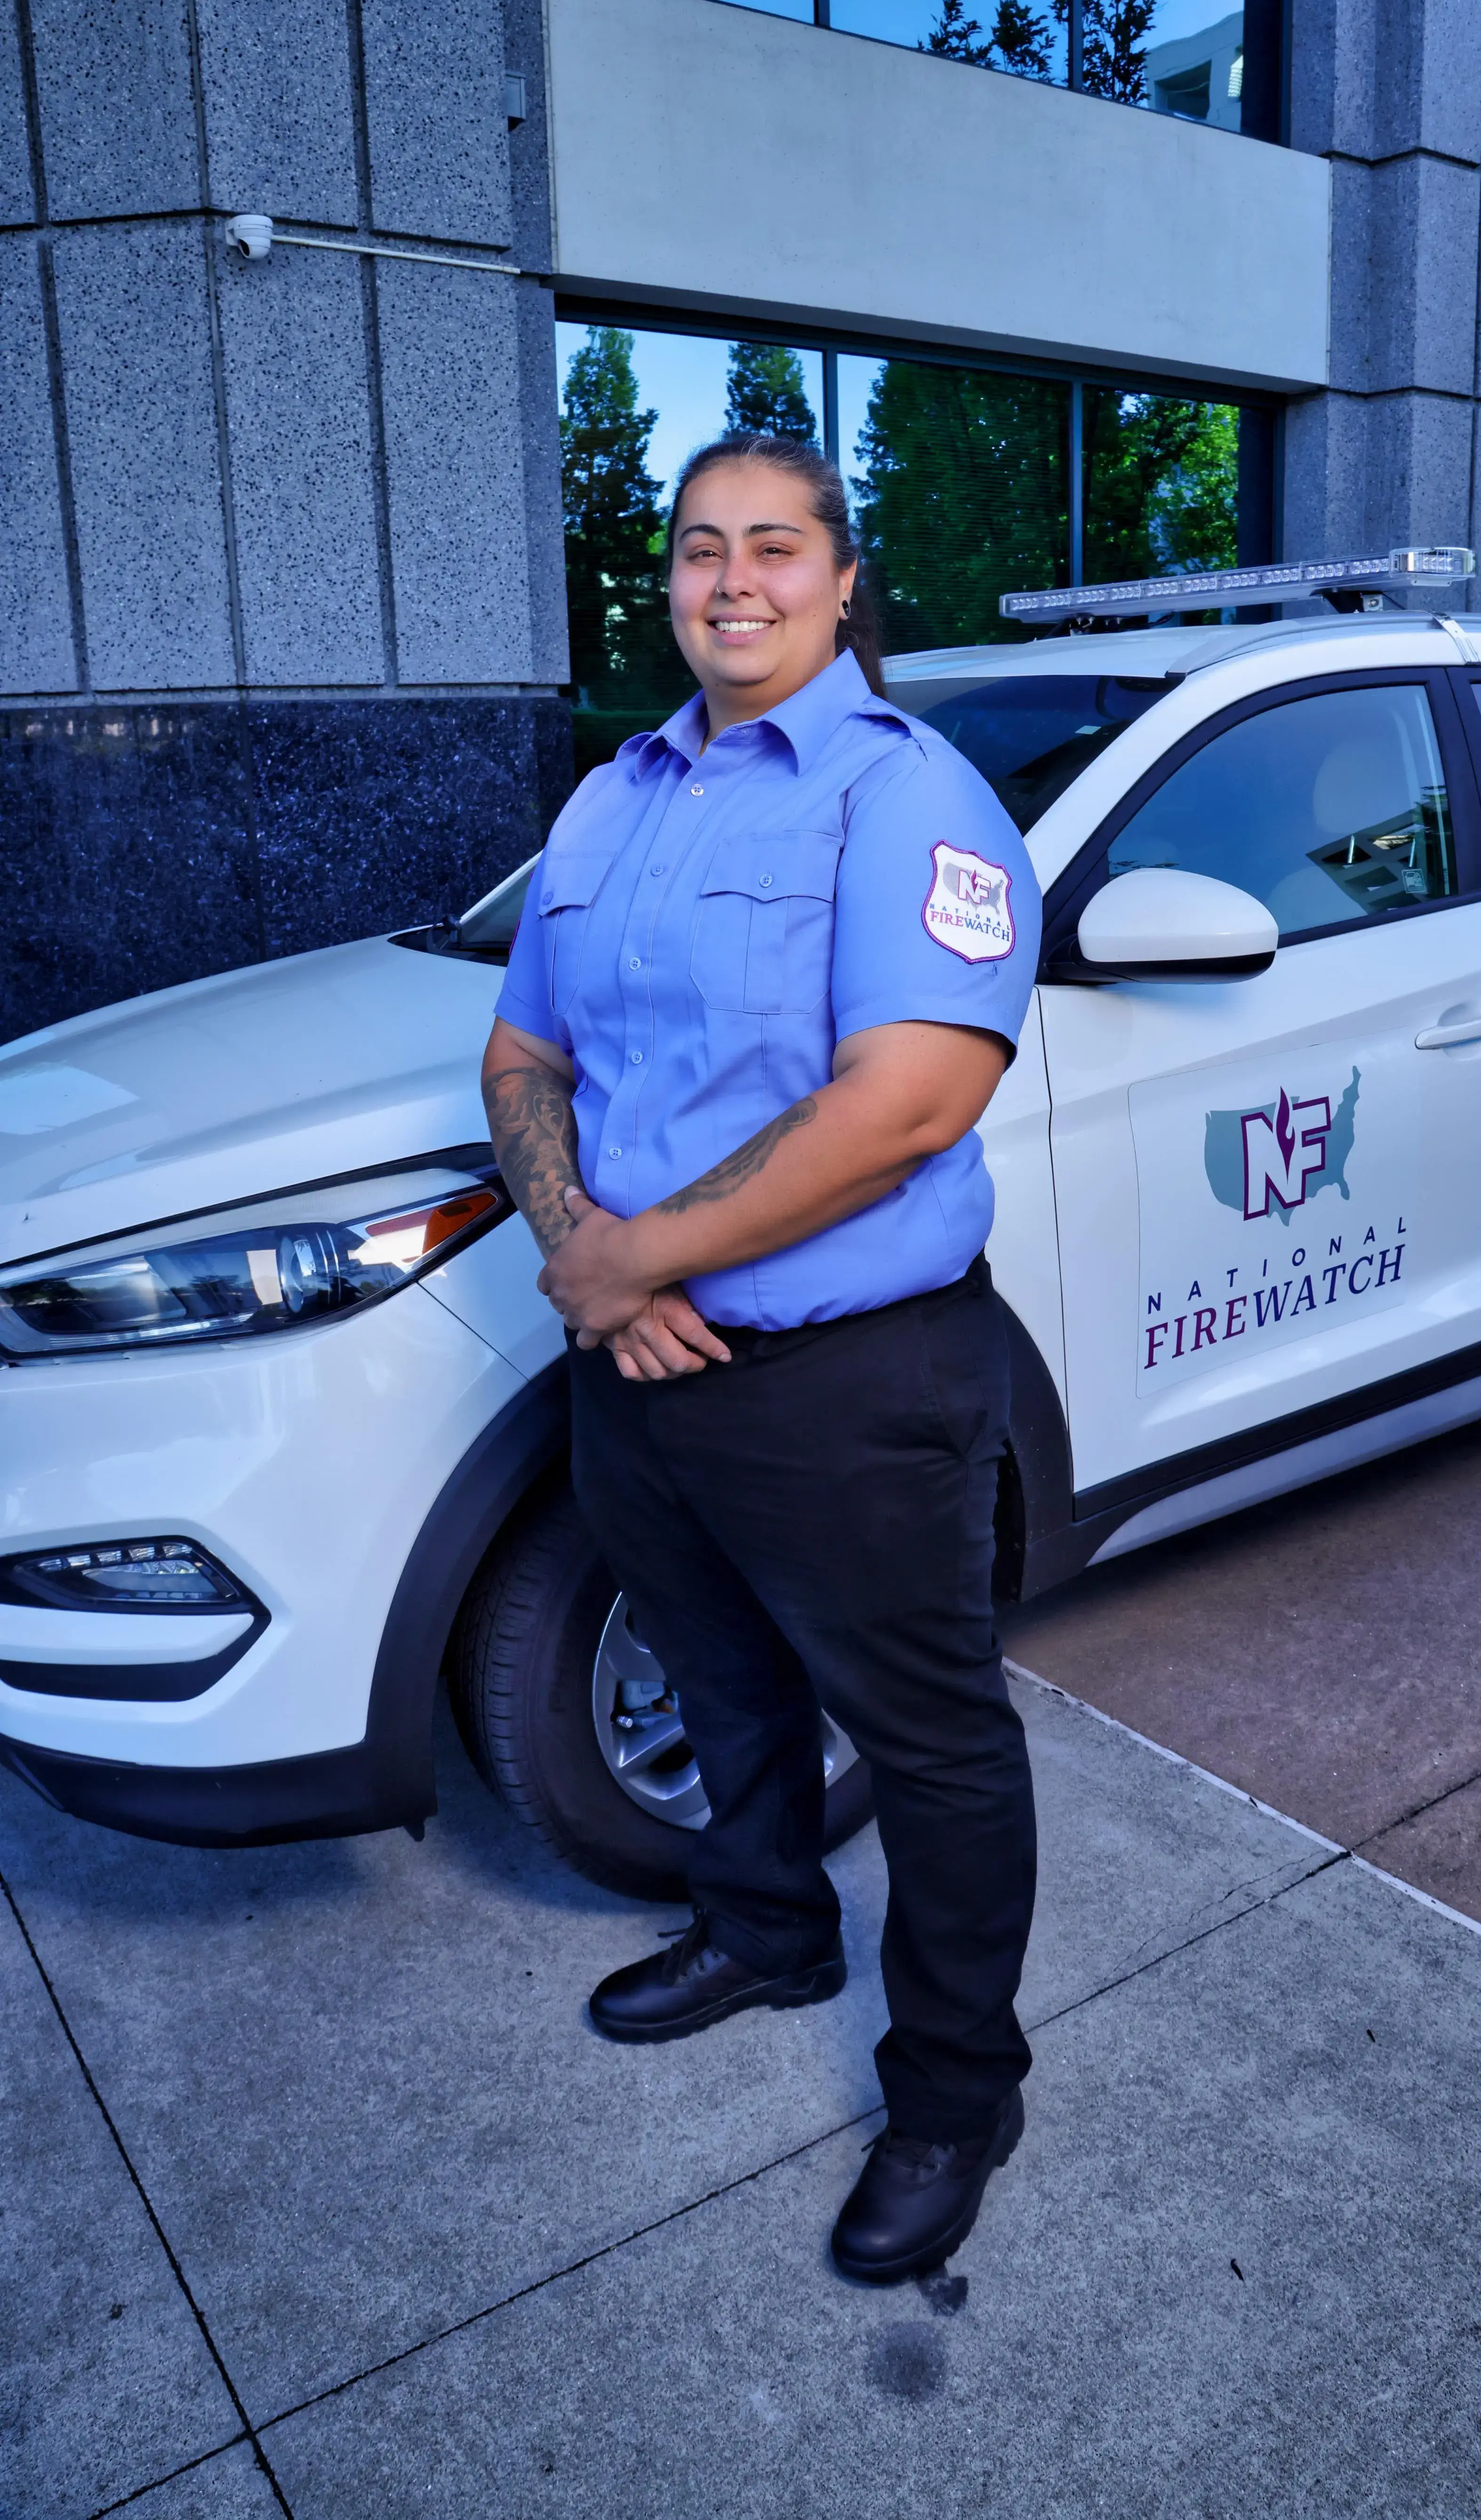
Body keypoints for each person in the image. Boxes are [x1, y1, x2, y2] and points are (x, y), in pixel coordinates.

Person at [479, 434, 1042, 2284]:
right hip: (635, 1365)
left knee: (930, 1740)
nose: (735, 579)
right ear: (667, 580)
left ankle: (954, 2087)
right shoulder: (605, 804)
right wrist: (592, 1261)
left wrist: (636, 1248)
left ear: (842, 575)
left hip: (851, 1379)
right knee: (719, 1679)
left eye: (775, 547)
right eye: (700, 548)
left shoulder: (906, 798)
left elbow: (911, 1097)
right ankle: (765, 1926)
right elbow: (523, 1058)